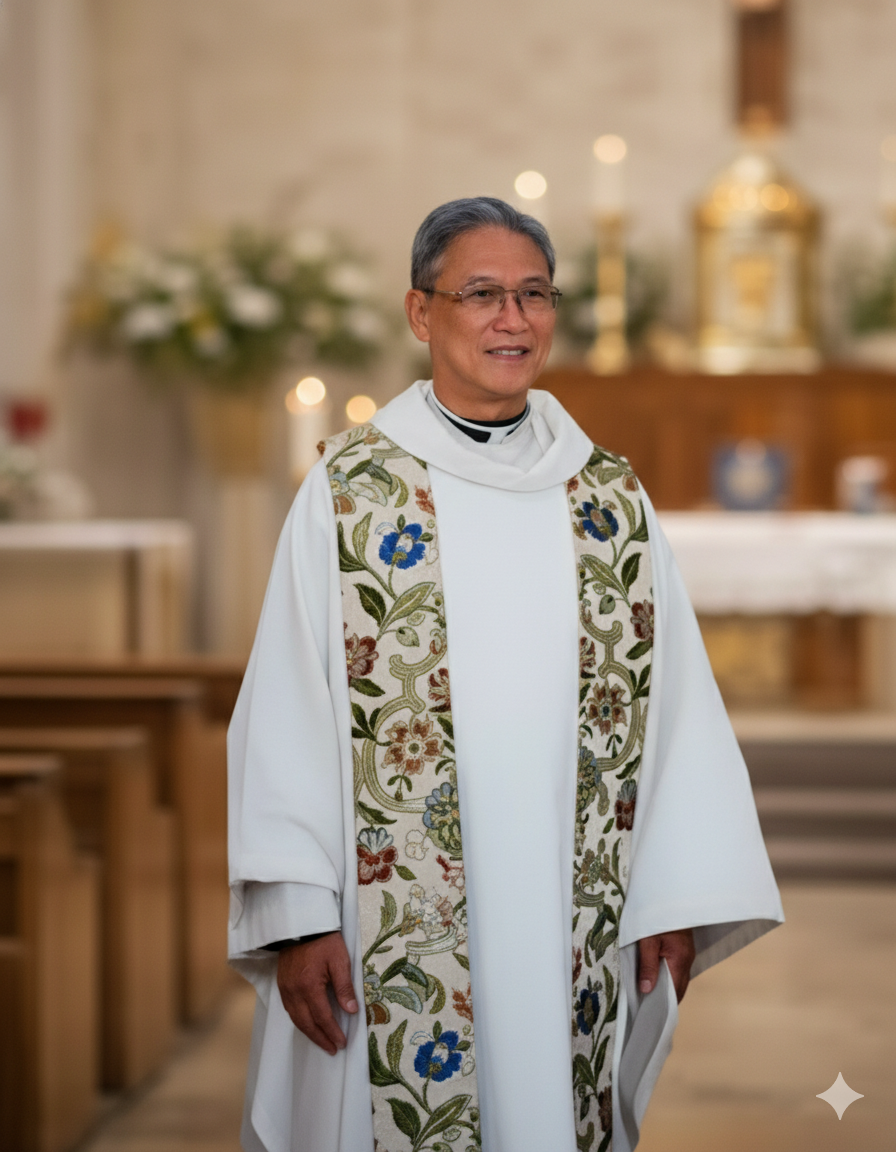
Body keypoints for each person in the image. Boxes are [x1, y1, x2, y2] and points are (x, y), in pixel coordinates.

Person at [228, 197, 783, 1152]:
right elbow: (286, 707)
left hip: (577, 911)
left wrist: (673, 898)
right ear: (421, 313)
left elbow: (678, 710)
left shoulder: (608, 496)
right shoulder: (352, 493)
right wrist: (297, 917)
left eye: (533, 295)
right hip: (387, 922)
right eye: (482, 294)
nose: (512, 319)